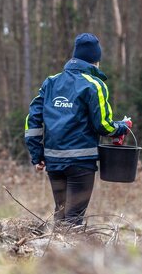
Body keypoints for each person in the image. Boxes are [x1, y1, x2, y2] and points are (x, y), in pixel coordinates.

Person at [24, 33, 131, 226]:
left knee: (61, 215)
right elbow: (103, 125)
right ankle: (66, 247)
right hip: (81, 163)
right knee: (73, 219)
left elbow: (32, 120)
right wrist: (122, 127)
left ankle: (53, 245)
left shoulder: (51, 82)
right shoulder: (95, 85)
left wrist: (36, 154)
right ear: (96, 61)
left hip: (53, 162)